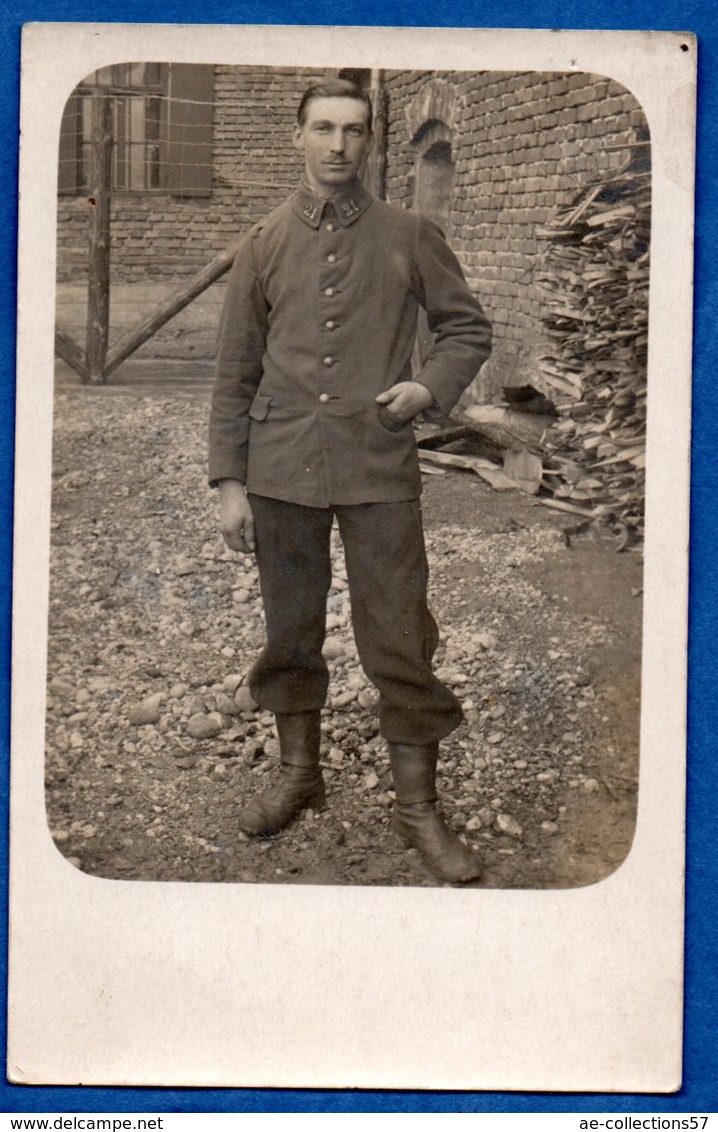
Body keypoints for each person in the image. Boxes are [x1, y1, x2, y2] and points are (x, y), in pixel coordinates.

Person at [209, 77, 492, 883]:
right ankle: (299, 775)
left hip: (377, 462)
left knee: (400, 633)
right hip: (280, 468)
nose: (338, 146)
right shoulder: (263, 242)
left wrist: (428, 388)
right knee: (290, 630)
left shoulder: (410, 232)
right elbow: (234, 371)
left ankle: (417, 810)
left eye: (354, 131)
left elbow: (466, 328)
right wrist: (228, 481)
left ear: (370, 141)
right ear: (297, 138)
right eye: (323, 129)